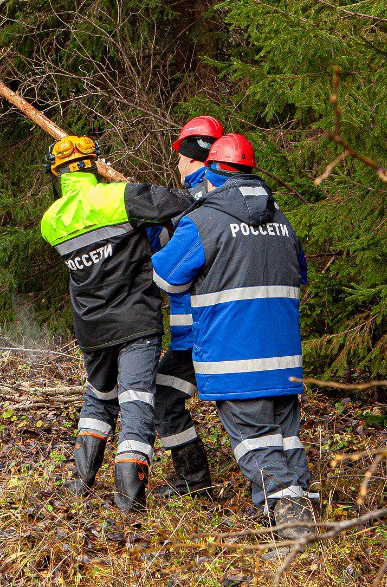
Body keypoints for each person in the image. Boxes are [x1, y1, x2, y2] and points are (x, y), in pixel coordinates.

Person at [150, 134, 315, 540]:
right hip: (282, 359)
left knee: (255, 441)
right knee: (286, 437)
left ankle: (292, 524)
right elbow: (300, 277)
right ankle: (304, 507)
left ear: (213, 173)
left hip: (233, 357)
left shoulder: (205, 219)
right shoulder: (282, 221)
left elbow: (166, 278)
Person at [40, 135, 193, 512]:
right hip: (135, 320)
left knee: (99, 398)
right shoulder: (120, 197)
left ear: (57, 173)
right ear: (94, 164)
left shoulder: (51, 220)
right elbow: (182, 203)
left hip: (91, 326)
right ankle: (129, 499)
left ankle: (81, 483)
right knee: (137, 399)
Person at [153, 115, 223, 496]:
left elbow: (166, 269)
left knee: (164, 398)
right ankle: (194, 481)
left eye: (179, 154)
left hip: (202, 333)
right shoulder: (209, 199)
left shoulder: (193, 208)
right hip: (196, 335)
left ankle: (195, 483)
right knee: (165, 395)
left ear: (192, 157)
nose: (176, 162)